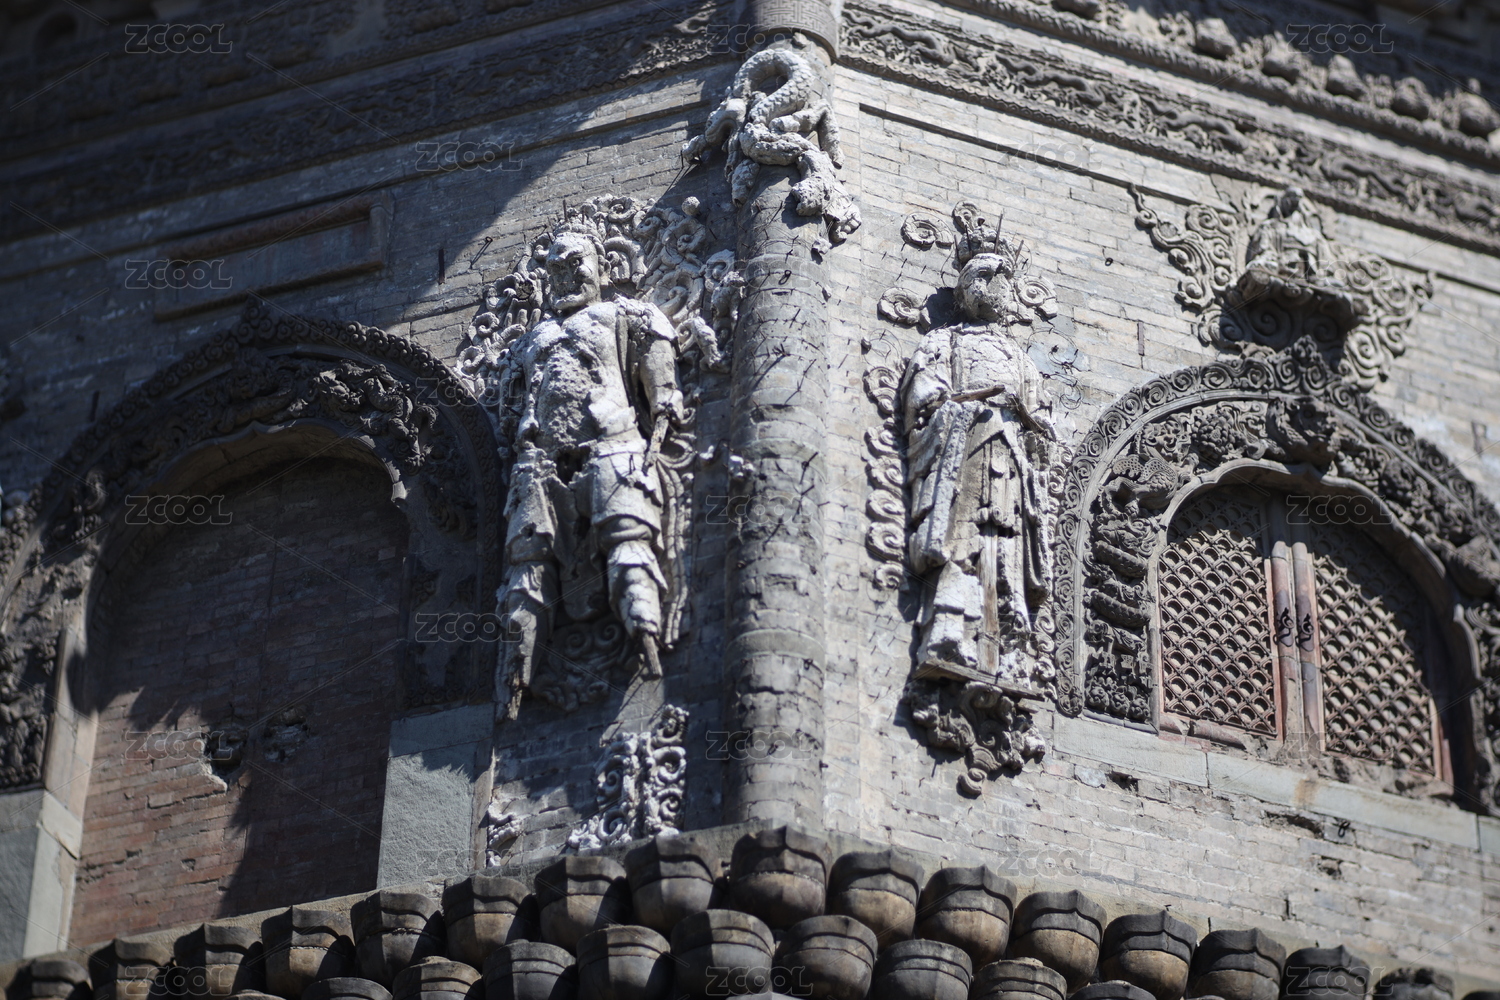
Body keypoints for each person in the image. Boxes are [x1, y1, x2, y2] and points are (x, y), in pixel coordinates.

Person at [493, 225, 686, 704]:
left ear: (604, 267)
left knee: (629, 545)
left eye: (574, 263)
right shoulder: (530, 340)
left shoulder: (625, 314)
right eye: (554, 268)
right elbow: (511, 407)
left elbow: (657, 362)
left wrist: (664, 401)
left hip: (612, 450)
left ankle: (647, 641)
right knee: (526, 570)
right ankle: (517, 674)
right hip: (537, 467)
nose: (563, 274)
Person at [902, 231, 1054, 682]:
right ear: (968, 289)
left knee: (1005, 550)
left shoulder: (1021, 360)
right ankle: (949, 631)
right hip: (965, 452)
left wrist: (1024, 416)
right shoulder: (945, 343)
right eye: (986, 282)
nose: (996, 292)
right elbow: (925, 397)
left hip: (1012, 467)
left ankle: (1010, 650)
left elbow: (1044, 429)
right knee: (962, 540)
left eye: (1003, 284)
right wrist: (977, 398)